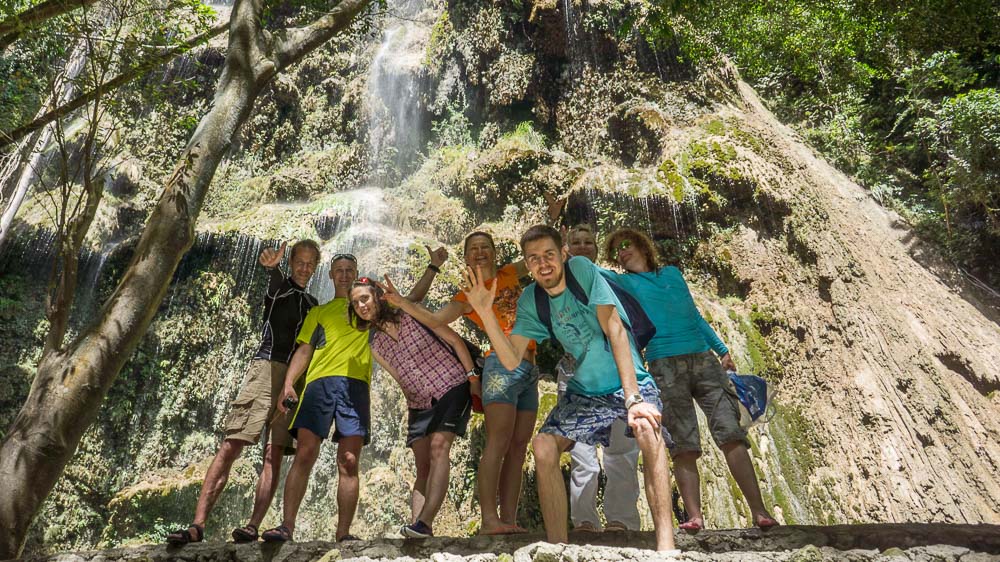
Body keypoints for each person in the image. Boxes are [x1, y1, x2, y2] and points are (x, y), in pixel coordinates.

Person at [464, 225, 677, 552]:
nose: (542, 263)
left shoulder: (581, 270)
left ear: (563, 253)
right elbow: (509, 360)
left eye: (549, 254)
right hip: (586, 392)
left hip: (626, 380)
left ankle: (666, 547)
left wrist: (633, 397)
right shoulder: (531, 300)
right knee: (544, 445)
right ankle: (557, 548)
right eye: (533, 259)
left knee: (648, 428)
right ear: (527, 264)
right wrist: (484, 313)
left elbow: (616, 328)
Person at [261, 248, 446, 543]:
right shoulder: (318, 311)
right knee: (306, 452)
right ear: (331, 275)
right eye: (339, 270)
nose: (345, 274)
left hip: (356, 386)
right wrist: (288, 384)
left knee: (348, 460)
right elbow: (305, 349)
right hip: (319, 385)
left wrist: (433, 267)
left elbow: (411, 301)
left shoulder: (368, 307)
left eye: (350, 269)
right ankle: (287, 526)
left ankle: (343, 532)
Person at [603, 228, 778, 531]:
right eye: (617, 250)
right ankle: (694, 517)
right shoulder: (625, 283)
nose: (622, 252)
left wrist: (722, 349)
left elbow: (694, 315)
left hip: (704, 360)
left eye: (627, 245)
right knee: (683, 444)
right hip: (663, 364)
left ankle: (760, 511)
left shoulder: (672, 274)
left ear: (644, 247)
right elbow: (590, 271)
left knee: (731, 434)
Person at [167, 239, 320, 545]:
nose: (304, 268)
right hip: (265, 369)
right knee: (231, 444)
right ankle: (197, 525)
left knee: (273, 453)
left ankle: (252, 526)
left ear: (316, 267)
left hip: (294, 379)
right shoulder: (280, 288)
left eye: (309, 264)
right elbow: (274, 281)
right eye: (299, 262)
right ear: (291, 263)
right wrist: (272, 266)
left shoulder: (314, 306)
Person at [385, 231, 537, 535]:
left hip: (531, 366)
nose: (479, 252)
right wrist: (402, 303)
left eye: (485, 247)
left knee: (519, 447)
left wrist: (554, 219)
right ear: (466, 258)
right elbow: (437, 320)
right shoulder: (466, 295)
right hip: (500, 367)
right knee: (498, 441)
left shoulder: (511, 272)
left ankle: (508, 520)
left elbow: (539, 254)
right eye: (473, 249)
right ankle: (489, 520)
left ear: (495, 253)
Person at [349, 278, 477, 539]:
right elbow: (400, 379)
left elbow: (454, 340)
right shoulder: (375, 345)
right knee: (422, 466)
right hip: (419, 403)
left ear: (377, 296)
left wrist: (473, 379)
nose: (361, 305)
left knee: (440, 446)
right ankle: (417, 528)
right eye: (355, 302)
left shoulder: (411, 314)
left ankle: (425, 523)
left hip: (451, 384)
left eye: (365, 298)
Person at [560, 225, 641, 533]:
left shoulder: (611, 280)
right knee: (581, 450)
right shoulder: (557, 282)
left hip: (615, 370)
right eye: (575, 242)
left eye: (588, 242)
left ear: (596, 248)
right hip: (574, 371)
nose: (582, 247)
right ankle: (584, 521)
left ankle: (622, 520)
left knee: (621, 448)